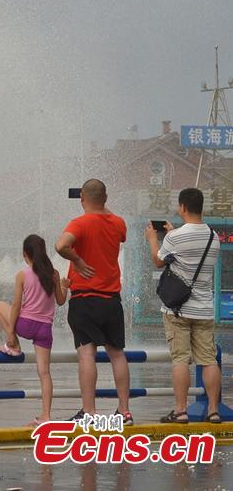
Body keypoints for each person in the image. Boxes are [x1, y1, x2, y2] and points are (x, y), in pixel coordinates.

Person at [55, 179, 132, 425]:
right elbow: (114, 225)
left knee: (87, 354)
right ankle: (124, 411)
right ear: (106, 199)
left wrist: (76, 261)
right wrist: (101, 204)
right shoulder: (118, 223)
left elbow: (60, 245)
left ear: (82, 199)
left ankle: (89, 412)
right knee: (117, 354)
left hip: (85, 299)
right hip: (111, 300)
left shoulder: (79, 223)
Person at [145, 188, 222, 423]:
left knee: (180, 359)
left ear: (182, 208)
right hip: (204, 310)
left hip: (178, 310)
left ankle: (180, 410)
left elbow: (159, 261)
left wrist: (153, 239)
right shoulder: (214, 237)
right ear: (202, 207)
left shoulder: (174, 237)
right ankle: (213, 410)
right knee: (208, 359)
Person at [0, 234, 68, 425]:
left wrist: (11, 333)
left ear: (26, 253)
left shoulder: (22, 275)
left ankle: (15, 346)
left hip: (25, 325)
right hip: (45, 329)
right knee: (44, 372)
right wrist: (64, 287)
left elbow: (17, 306)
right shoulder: (54, 274)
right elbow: (60, 302)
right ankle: (46, 416)